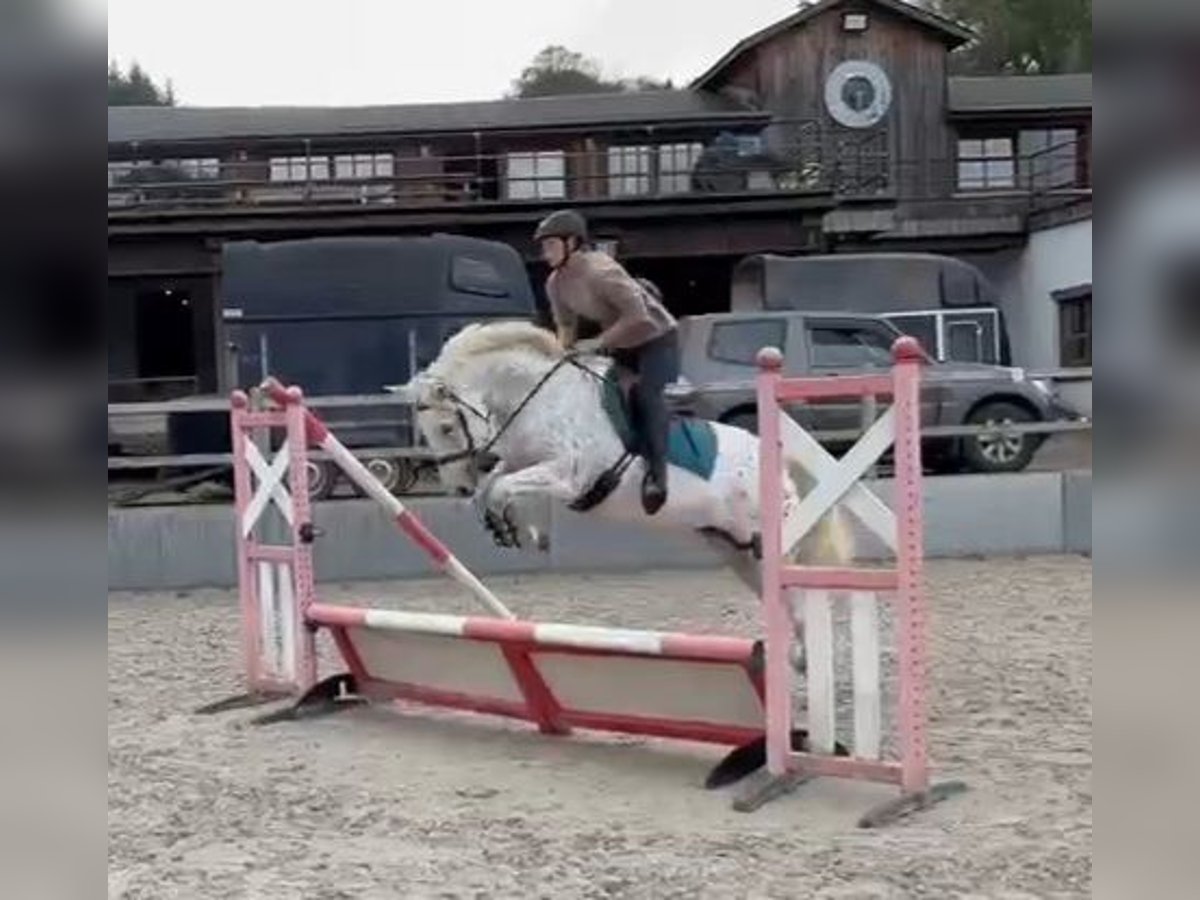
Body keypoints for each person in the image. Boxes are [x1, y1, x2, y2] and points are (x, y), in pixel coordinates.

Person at [533, 209, 679, 515]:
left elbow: (638, 317)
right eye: (543, 246)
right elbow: (567, 327)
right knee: (597, 394)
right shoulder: (555, 283)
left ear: (572, 242)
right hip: (621, 343)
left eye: (550, 245)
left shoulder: (602, 271)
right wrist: (561, 357)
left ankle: (658, 479)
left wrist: (598, 343)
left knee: (645, 396)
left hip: (656, 339)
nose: (544, 252)